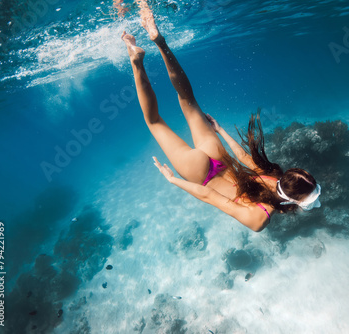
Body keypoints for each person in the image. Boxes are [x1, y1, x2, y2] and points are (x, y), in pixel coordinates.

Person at [122, 7, 321, 232]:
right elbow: (209, 195)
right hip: (201, 174)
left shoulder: (275, 175)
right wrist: (173, 180)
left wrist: (221, 130)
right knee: (155, 122)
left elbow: (244, 156)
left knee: (187, 98)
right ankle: (135, 60)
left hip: (219, 154)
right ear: (294, 202)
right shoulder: (259, 219)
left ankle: (160, 43)